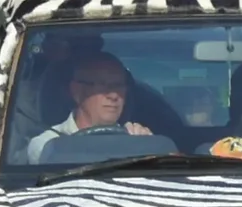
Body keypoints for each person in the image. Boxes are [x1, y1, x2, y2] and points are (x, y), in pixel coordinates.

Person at [27, 54, 161, 160]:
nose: (114, 95)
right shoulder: (48, 145)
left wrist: (146, 148)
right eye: (103, 86)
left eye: (119, 86)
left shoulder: (136, 139)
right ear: (77, 91)